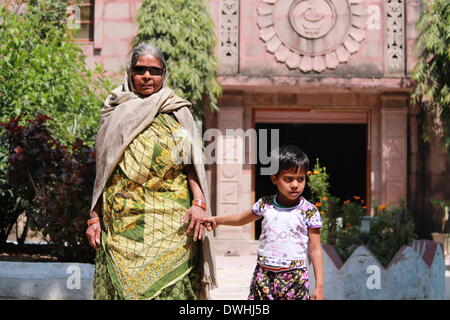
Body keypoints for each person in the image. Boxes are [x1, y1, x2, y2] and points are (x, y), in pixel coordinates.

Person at [85, 43, 217, 300]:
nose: (147, 76)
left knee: (173, 289)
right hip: (124, 221)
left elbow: (190, 165)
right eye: (140, 69)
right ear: (129, 73)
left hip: (173, 221)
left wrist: (199, 204)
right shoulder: (114, 111)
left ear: (164, 74)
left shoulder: (177, 111)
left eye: (154, 71)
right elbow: (103, 172)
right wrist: (94, 218)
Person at [202, 145, 324, 300]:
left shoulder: (309, 211)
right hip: (263, 275)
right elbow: (242, 218)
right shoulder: (265, 204)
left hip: (295, 278)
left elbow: (315, 249)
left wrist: (319, 286)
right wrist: (218, 220)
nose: (295, 184)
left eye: (300, 179)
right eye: (288, 179)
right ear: (274, 179)